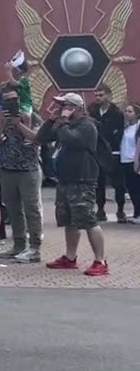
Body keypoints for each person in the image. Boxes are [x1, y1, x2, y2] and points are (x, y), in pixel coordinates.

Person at [39, 93, 109, 276]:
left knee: (88, 219)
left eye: (65, 105)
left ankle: (100, 260)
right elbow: (41, 138)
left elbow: (71, 139)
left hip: (82, 179)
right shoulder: (64, 124)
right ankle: (70, 258)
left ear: (77, 108)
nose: (61, 109)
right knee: (69, 220)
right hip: (65, 179)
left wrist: (62, 122)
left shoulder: (87, 126)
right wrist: (51, 121)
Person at [0, 84, 43, 262]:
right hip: (7, 168)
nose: (11, 104)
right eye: (7, 101)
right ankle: (18, 245)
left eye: (14, 100)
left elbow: (37, 138)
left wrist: (19, 124)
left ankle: (35, 247)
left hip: (28, 169)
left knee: (31, 209)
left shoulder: (31, 115)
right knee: (13, 209)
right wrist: (0, 126)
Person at [90, 85, 126, 222]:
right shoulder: (93, 111)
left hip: (113, 151)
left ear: (109, 96)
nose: (98, 98)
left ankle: (121, 209)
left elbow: (120, 131)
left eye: (101, 95)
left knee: (118, 183)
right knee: (99, 183)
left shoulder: (116, 113)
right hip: (98, 151)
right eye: (96, 95)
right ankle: (100, 209)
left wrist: (113, 141)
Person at [120, 103, 139, 223]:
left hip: (134, 160)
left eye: (130, 111)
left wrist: (137, 161)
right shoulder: (125, 127)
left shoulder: (138, 126)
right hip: (125, 160)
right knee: (131, 188)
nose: (127, 113)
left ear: (136, 114)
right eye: (126, 111)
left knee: (137, 188)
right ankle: (137, 212)